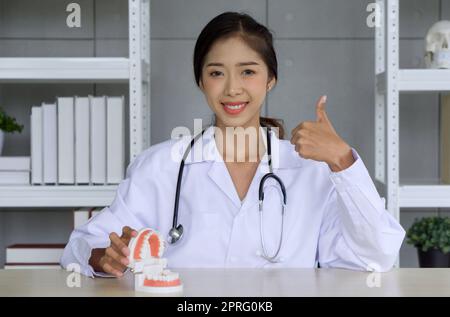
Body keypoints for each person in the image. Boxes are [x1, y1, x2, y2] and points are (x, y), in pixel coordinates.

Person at [61, 12, 405, 278]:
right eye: (216, 73)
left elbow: (376, 257)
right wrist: (103, 257)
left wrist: (343, 160)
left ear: (271, 79)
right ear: (200, 80)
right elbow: (81, 246)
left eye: (248, 72)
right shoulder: (161, 166)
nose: (232, 89)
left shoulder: (313, 171)